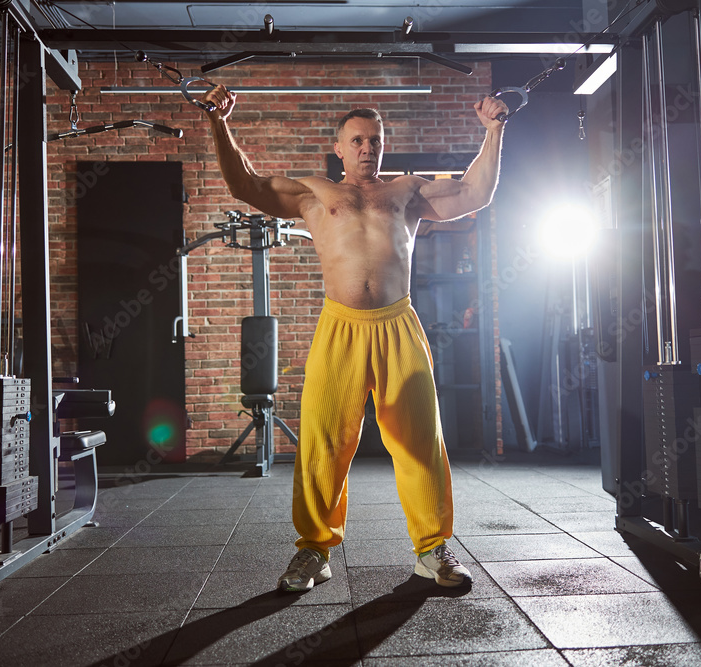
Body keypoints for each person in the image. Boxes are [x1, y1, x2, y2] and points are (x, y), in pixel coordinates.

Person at [202, 84, 508, 591]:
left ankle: (432, 551)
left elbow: (476, 193)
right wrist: (219, 123)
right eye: (358, 140)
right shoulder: (315, 194)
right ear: (339, 148)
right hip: (340, 327)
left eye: (375, 140)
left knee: (419, 441)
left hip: (398, 326)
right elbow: (247, 185)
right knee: (323, 441)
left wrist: (494, 132)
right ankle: (314, 552)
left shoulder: (406, 192)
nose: (368, 149)